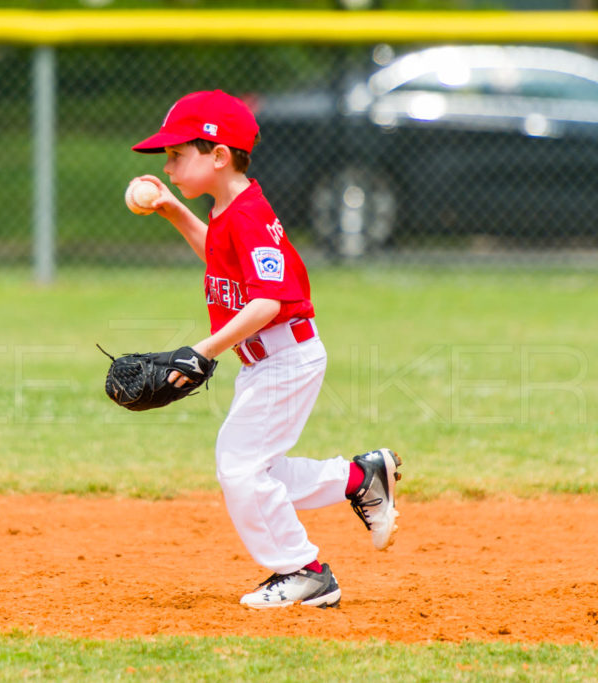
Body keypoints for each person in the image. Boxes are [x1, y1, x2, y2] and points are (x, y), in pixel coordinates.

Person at [130, 90, 401, 609]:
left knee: (238, 468)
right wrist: (171, 210)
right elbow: (219, 261)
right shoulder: (230, 210)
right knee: (260, 471)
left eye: (175, 155)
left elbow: (269, 302)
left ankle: (305, 571)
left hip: (285, 356)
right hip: (272, 360)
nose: (168, 166)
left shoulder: (248, 215)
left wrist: (201, 351)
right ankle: (358, 477)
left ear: (218, 155)